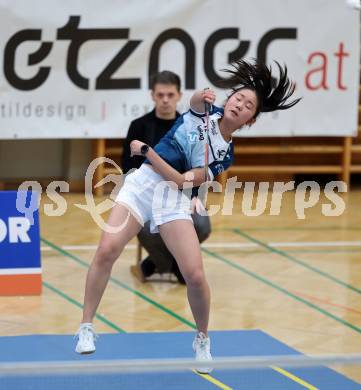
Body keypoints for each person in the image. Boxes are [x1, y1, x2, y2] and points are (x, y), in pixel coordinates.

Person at [75, 59, 301, 373]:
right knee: (107, 251)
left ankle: (202, 339)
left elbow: (182, 181)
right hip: (141, 187)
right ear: (227, 99)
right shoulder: (204, 113)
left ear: (250, 119)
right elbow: (195, 102)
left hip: (172, 198)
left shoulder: (224, 156)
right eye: (238, 98)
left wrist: (148, 152)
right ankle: (86, 326)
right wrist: (201, 96)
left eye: (248, 105)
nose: (240, 104)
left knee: (194, 275)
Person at [121, 70, 211, 284]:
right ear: (152, 95)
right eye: (160, 95)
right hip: (147, 198)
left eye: (170, 95)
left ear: (179, 95)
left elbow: (196, 167)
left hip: (181, 197)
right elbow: (129, 169)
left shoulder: (189, 128)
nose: (165, 100)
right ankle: (176, 266)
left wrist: (195, 196)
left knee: (202, 225)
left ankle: (153, 264)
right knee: (145, 229)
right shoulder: (139, 126)